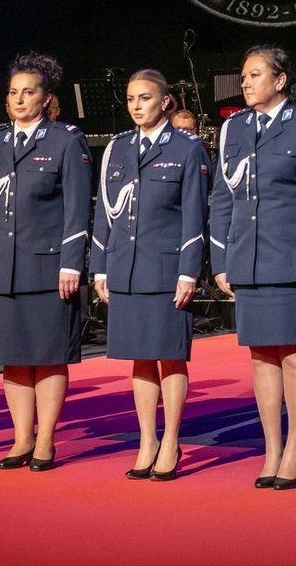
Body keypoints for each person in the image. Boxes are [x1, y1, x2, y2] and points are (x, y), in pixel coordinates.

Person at [210, 44, 296, 490]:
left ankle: (294, 450)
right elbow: (223, 198)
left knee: (295, 357)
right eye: (244, 76)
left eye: (254, 75)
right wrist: (221, 259)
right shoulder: (234, 128)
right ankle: (271, 449)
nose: (245, 83)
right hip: (249, 259)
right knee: (262, 357)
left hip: (295, 259)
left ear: (280, 80)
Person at [0, 52, 91, 472]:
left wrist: (71, 263)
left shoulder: (65, 140)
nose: (19, 100)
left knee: (48, 355)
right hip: (0, 266)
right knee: (13, 356)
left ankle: (46, 439)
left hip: (47, 268)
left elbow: (77, 209)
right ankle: (21, 438)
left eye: (29, 92)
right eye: (14, 92)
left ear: (45, 98)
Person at [91, 70, 208, 481]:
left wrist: (189, 272)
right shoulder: (118, 147)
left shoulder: (187, 147)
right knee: (140, 357)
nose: (136, 106)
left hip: (166, 268)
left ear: (165, 102)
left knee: (170, 355)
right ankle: (147, 441)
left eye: (144, 98)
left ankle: (171, 440)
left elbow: (195, 213)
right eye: (130, 99)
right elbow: (104, 212)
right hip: (125, 266)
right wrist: (100, 266)